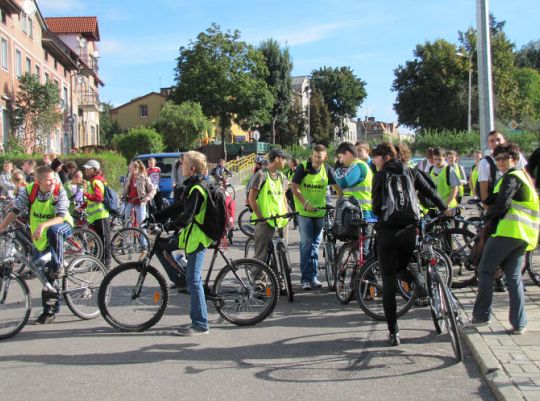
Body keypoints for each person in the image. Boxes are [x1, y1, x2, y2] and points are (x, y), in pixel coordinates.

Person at [371, 143, 451, 346]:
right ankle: (421, 285)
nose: (374, 161)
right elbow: (431, 192)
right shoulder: (411, 171)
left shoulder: (380, 176)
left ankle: (394, 332)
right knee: (404, 264)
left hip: (387, 231)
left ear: (387, 157)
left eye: (376, 157)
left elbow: (375, 207)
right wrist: (446, 209)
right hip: (409, 230)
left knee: (389, 280)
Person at [472, 143, 539, 335]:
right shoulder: (523, 178)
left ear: (515, 160)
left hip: (507, 232)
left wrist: (487, 216)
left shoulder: (512, 177)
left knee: (485, 271)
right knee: (514, 278)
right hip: (523, 235)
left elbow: (502, 203)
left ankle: (481, 316)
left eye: (505, 158)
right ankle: (519, 323)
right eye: (498, 159)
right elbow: (497, 197)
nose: (500, 162)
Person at [0, 166, 74, 324]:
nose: (52, 182)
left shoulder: (58, 191)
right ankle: (50, 302)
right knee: (42, 275)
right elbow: (15, 211)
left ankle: (57, 269)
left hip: (62, 227)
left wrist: (42, 226)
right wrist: (1, 228)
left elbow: (61, 217)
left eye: (53, 179)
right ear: (38, 181)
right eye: (48, 180)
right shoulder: (28, 191)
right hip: (41, 238)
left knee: (54, 236)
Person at [166, 151, 213, 336]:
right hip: (194, 237)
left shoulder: (197, 188)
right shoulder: (191, 185)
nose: (180, 167)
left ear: (192, 168)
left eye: (183, 164)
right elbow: (178, 206)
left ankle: (201, 325)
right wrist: (157, 216)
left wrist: (167, 225)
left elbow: (186, 217)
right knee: (192, 279)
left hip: (199, 238)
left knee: (194, 280)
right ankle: (197, 320)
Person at [292, 144, 342, 290]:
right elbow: (294, 187)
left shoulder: (327, 170)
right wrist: (305, 203)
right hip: (304, 212)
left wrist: (340, 202)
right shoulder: (303, 167)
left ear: (325, 157)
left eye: (319, 157)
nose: (316, 160)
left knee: (315, 245)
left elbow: (338, 189)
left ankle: (313, 277)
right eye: (314, 156)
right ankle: (305, 279)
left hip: (320, 212)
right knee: (306, 244)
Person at [248, 149, 289, 269]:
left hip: (281, 221)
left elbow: (283, 197)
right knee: (261, 257)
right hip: (265, 222)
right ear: (277, 159)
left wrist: (286, 213)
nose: (285, 161)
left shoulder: (282, 177)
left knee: (281, 255)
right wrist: (261, 218)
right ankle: (259, 284)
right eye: (284, 159)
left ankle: (280, 281)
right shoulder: (261, 175)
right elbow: (251, 199)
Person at [334, 142, 375, 255]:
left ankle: (366, 272)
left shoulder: (359, 165)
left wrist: (337, 171)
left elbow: (344, 182)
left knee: (364, 251)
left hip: (364, 213)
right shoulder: (354, 166)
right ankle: (359, 271)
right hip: (355, 211)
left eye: (340, 157)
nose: (340, 161)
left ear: (347, 154)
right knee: (359, 248)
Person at [478, 130, 528, 204]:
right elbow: (483, 190)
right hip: (498, 203)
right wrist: (487, 209)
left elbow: (527, 176)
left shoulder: (516, 156)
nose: (496, 143)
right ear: (488, 144)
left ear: (504, 140)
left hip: (519, 201)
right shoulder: (485, 163)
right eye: (492, 141)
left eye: (498, 139)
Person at [83, 160, 112, 269]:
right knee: (98, 240)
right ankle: (99, 262)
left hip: (101, 215)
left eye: (88, 168)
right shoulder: (93, 181)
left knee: (104, 240)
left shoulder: (96, 181)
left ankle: (107, 263)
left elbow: (99, 198)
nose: (86, 170)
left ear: (94, 170)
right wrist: (81, 207)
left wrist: (86, 194)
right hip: (95, 216)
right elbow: (91, 199)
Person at [285, 158, 299, 228]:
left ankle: (296, 223)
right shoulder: (288, 171)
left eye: (290, 162)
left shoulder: (298, 172)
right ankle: (291, 215)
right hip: (287, 190)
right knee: (286, 204)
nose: (288, 163)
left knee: (294, 207)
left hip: (294, 191)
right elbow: (286, 179)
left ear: (293, 163)